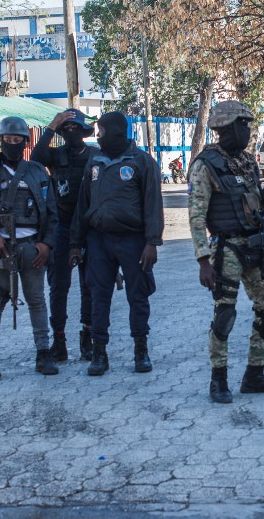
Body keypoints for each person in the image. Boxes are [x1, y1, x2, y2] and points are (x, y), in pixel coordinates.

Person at [187, 100, 264, 404]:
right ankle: (218, 380)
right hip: (226, 249)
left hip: (255, 246)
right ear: (225, 127)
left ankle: (254, 375)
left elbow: (259, 209)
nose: (246, 130)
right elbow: (196, 215)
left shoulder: (247, 162)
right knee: (225, 314)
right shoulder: (205, 165)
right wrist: (203, 261)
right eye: (241, 124)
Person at [69, 112, 163, 376]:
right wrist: (76, 243)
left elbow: (153, 205)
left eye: (101, 131)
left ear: (115, 132)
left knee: (138, 295)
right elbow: (82, 205)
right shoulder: (94, 162)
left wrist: (152, 242)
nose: (98, 136)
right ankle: (99, 353)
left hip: (133, 240)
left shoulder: (142, 162)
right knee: (99, 295)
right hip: (98, 239)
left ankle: (140, 351)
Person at [0, 116, 59, 380]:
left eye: (17, 140)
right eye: (7, 140)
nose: (12, 144)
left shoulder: (36, 172)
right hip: (0, 250)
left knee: (36, 301)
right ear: (0, 142)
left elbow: (52, 213)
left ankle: (43, 353)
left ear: (25, 142)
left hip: (32, 247)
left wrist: (46, 244)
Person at [30, 108, 100, 363]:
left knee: (89, 285)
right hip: (60, 226)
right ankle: (58, 339)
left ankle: (87, 336)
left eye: (75, 129)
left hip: (89, 226)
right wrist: (52, 125)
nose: (71, 133)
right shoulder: (56, 155)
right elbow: (36, 158)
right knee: (59, 286)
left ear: (84, 132)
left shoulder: (95, 155)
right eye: (66, 130)